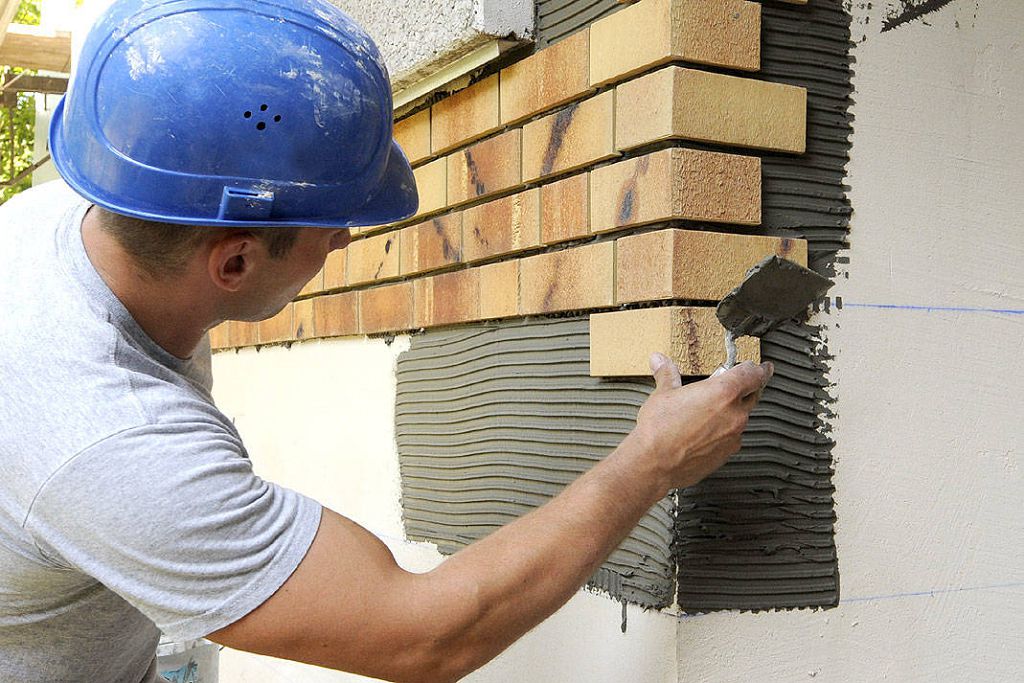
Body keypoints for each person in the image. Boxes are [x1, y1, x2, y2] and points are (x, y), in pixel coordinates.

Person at [0, 0, 773, 681]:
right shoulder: (111, 437)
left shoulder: (86, 212)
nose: (344, 237)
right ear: (232, 260)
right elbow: (425, 634)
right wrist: (651, 462)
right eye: (331, 224)